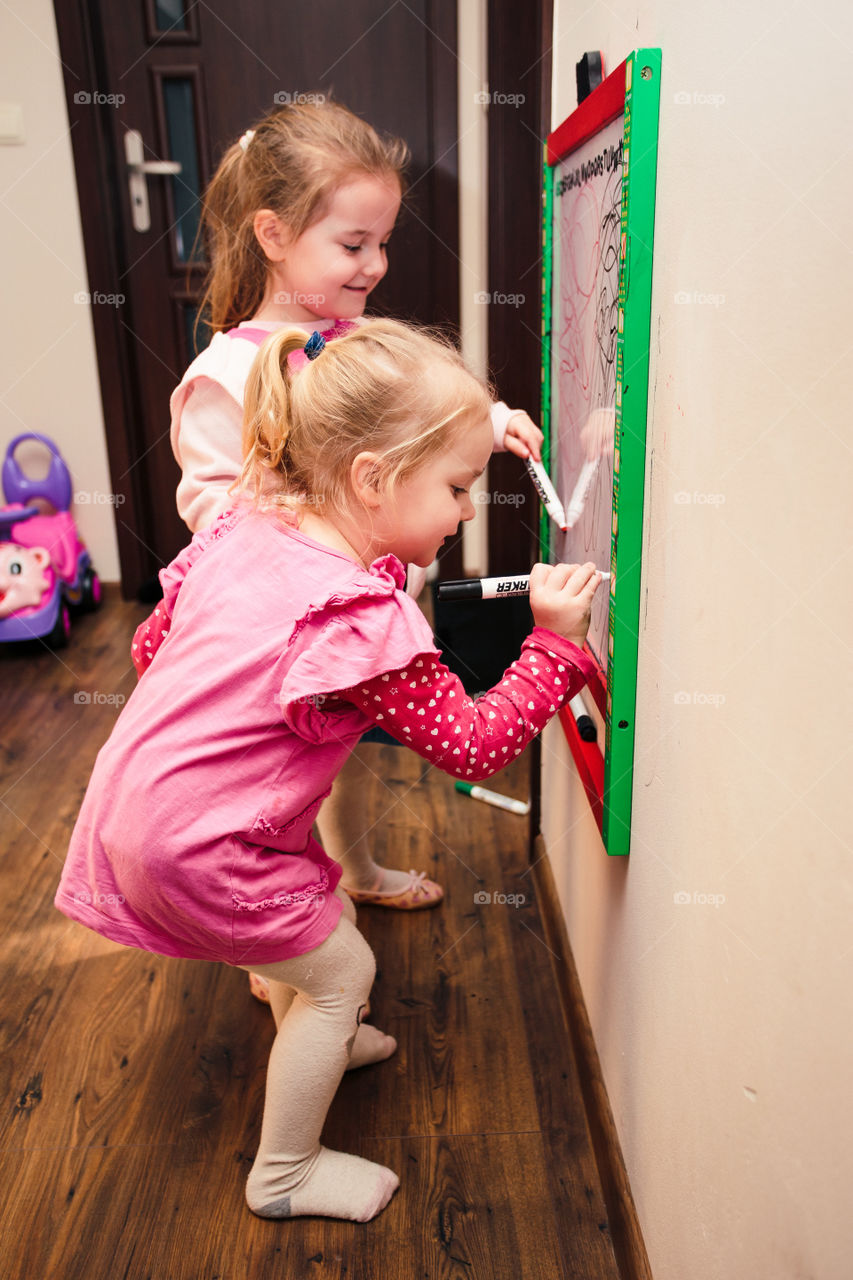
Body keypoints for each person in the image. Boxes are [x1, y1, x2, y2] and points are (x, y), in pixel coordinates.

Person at [55, 319, 602, 1222]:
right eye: (458, 487)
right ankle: (284, 1171)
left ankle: (319, 1033)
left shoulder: (252, 520)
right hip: (202, 846)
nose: (468, 511)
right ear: (372, 478)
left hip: (137, 806)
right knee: (343, 970)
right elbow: (471, 746)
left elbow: (154, 647)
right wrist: (550, 645)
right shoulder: (363, 621)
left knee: (320, 924)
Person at [170, 98, 545, 915]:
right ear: (272, 235)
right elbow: (212, 511)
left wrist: (490, 420)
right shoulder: (224, 377)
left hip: (370, 617)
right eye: (351, 245)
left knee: (352, 755)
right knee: (282, 782)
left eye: (382, 242)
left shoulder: (355, 338)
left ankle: (358, 870)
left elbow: (413, 411)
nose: (373, 264)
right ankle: (269, 929)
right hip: (283, 643)